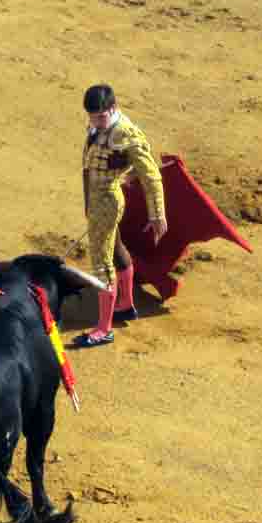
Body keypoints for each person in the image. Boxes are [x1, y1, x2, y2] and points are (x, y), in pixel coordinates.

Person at [74, 83, 167, 348]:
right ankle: (125, 304)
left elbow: (151, 175)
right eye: (92, 117)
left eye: (101, 117)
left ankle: (104, 329)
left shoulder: (125, 133)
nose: (96, 122)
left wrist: (157, 213)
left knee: (101, 264)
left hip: (107, 201)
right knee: (115, 250)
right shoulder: (100, 125)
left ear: (113, 108)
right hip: (97, 199)